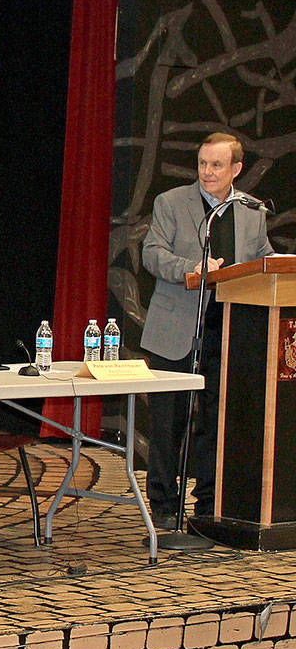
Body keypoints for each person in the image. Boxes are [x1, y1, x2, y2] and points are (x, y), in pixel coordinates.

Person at [140, 132, 274, 529]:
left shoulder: (252, 211)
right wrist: (191, 269)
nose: (207, 172)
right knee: (168, 424)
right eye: (202, 163)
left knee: (216, 424)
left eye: (217, 165)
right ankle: (164, 506)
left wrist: (275, 266)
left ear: (236, 169)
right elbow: (152, 253)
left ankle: (209, 506)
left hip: (230, 334)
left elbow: (262, 259)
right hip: (176, 332)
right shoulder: (171, 202)